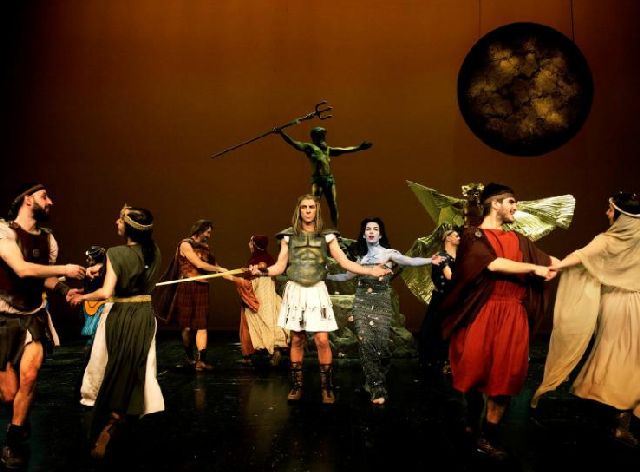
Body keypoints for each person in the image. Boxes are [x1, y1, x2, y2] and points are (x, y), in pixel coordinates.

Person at [438, 183, 556, 460]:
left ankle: (488, 437)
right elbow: (492, 263)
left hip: (513, 314)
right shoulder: (473, 235)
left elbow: (549, 261)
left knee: (506, 376)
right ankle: (472, 417)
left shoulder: (520, 240)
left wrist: (586, 262)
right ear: (495, 204)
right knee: (474, 371)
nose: (516, 207)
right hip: (483, 311)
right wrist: (534, 268)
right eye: (511, 202)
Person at [250, 195, 390, 404]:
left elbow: (344, 262)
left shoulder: (327, 236)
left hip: (316, 290)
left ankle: (327, 388)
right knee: (297, 339)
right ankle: (297, 386)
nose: (308, 210)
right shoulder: (288, 236)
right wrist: (261, 271)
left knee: (322, 340)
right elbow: (279, 267)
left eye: (311, 207)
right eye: (304, 207)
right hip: (296, 290)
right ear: (299, 210)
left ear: (317, 210)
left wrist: (370, 271)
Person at [532, 191, 640, 447]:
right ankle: (622, 415)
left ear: (621, 215)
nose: (606, 213)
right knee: (627, 354)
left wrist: (555, 266)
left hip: (618, 303)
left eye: (610, 209)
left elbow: (581, 256)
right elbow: (582, 256)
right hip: (631, 302)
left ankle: (616, 407)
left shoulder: (608, 240)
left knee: (620, 353)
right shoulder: (621, 238)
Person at [0, 183, 85, 469]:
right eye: (44, 196)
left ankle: (13, 440)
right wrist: (65, 270)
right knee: (8, 394)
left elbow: (44, 277)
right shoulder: (4, 232)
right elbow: (22, 269)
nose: (50, 201)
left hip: (33, 316)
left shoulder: (49, 240)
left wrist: (65, 289)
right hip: (3, 317)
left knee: (30, 376)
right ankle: (19, 419)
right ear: (27, 199)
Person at [72, 205, 163, 459]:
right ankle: (122, 414)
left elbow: (106, 292)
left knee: (109, 367)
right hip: (144, 315)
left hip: (122, 316)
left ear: (129, 227)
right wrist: (102, 268)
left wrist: (81, 297)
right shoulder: (154, 250)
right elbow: (134, 268)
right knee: (133, 368)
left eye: (120, 220)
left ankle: (107, 424)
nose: (116, 222)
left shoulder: (115, 252)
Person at [327, 217, 436, 405]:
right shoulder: (359, 259)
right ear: (363, 234)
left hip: (382, 303)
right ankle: (376, 387)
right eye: (368, 229)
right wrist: (326, 276)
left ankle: (374, 377)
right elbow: (345, 276)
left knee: (383, 348)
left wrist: (430, 260)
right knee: (366, 342)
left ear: (380, 234)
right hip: (361, 302)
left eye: (375, 229)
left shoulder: (389, 254)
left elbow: (410, 261)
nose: (371, 231)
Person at [154, 220, 226, 371]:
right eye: (208, 232)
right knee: (186, 327)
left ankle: (201, 361)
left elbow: (216, 266)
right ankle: (190, 357)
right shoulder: (185, 244)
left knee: (202, 325)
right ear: (200, 230)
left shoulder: (205, 247)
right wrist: (219, 270)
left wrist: (236, 277)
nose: (209, 235)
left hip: (202, 287)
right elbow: (199, 264)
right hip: (187, 287)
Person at [274, 127, 372, 227]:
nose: (323, 139)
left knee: (332, 204)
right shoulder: (309, 147)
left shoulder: (327, 150)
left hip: (329, 180)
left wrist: (358, 148)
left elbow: (342, 150)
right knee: (313, 204)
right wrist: (282, 133)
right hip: (318, 180)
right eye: (321, 136)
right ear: (315, 137)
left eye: (323, 136)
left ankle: (335, 229)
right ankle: (311, 228)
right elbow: (294, 143)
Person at [225, 235, 289, 366]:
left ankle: (249, 356)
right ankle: (274, 350)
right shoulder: (269, 259)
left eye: (251, 242)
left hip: (256, 299)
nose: (249, 244)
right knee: (271, 322)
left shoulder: (255, 261)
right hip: (270, 300)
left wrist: (231, 278)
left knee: (249, 324)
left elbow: (250, 283)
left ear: (254, 244)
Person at [419, 227, 460, 376]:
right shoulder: (441, 257)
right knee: (437, 330)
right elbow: (449, 276)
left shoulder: (458, 257)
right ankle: (436, 363)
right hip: (442, 300)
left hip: (454, 298)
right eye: (456, 235)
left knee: (453, 330)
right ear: (448, 238)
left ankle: (450, 362)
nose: (459, 238)